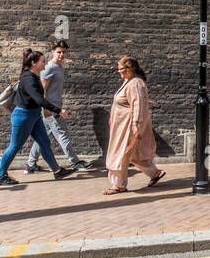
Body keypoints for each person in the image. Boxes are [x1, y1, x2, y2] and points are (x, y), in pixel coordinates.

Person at [0, 49, 77, 186]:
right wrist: (58, 110)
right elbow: (39, 99)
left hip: (34, 115)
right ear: (34, 63)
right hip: (23, 116)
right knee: (14, 146)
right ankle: (0, 175)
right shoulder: (28, 79)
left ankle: (57, 171)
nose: (45, 63)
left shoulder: (33, 76)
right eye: (43, 61)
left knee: (44, 143)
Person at [25, 40, 95, 173]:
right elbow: (42, 90)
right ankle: (75, 162)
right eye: (59, 52)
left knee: (42, 136)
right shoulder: (50, 67)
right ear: (52, 52)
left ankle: (31, 165)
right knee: (63, 135)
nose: (61, 54)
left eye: (64, 52)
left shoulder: (58, 67)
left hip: (52, 108)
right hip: (51, 109)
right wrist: (47, 109)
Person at [104, 56, 165, 194]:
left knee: (121, 153)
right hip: (121, 125)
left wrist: (136, 124)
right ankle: (154, 173)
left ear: (130, 69)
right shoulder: (128, 81)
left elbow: (138, 105)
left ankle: (118, 185)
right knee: (134, 153)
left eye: (121, 69)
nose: (119, 72)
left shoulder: (135, 84)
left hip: (127, 126)